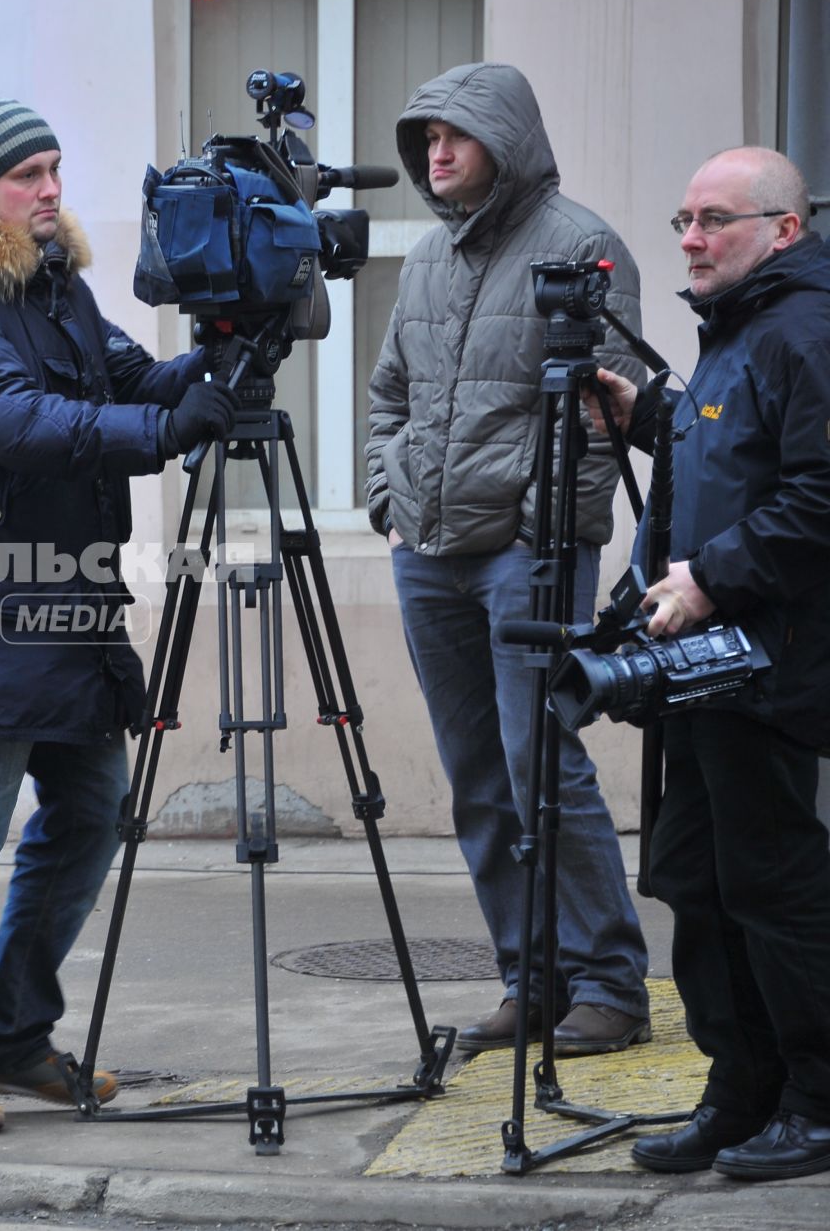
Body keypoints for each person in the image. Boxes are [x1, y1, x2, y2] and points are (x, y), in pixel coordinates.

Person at [0, 98, 239, 1133]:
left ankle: (11, 1030)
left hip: (70, 604)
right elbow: (13, 419)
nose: (50, 189)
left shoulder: (60, 291)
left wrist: (223, 348)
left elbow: (137, 379)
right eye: (28, 173)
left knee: (90, 817)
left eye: (54, 169)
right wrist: (165, 430)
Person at [363, 62, 651, 1056]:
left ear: (507, 140)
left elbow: (616, 397)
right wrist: (385, 498)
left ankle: (611, 984)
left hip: (527, 558)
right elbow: (387, 394)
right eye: (426, 138)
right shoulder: (429, 260)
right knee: (478, 777)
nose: (436, 152)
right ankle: (530, 980)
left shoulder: (580, 242)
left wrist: (547, 523)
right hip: (428, 555)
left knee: (543, 768)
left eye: (456, 134)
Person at [581, 147, 830, 1181]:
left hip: (766, 661)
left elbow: (819, 495)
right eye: (683, 217)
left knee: (771, 883)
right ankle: (740, 1090)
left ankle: (817, 1102)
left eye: (714, 219)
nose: (689, 237)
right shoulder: (738, 331)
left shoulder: (806, 331)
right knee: (694, 876)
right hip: (705, 664)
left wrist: (710, 580)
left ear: (784, 227)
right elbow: (729, 456)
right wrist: (645, 419)